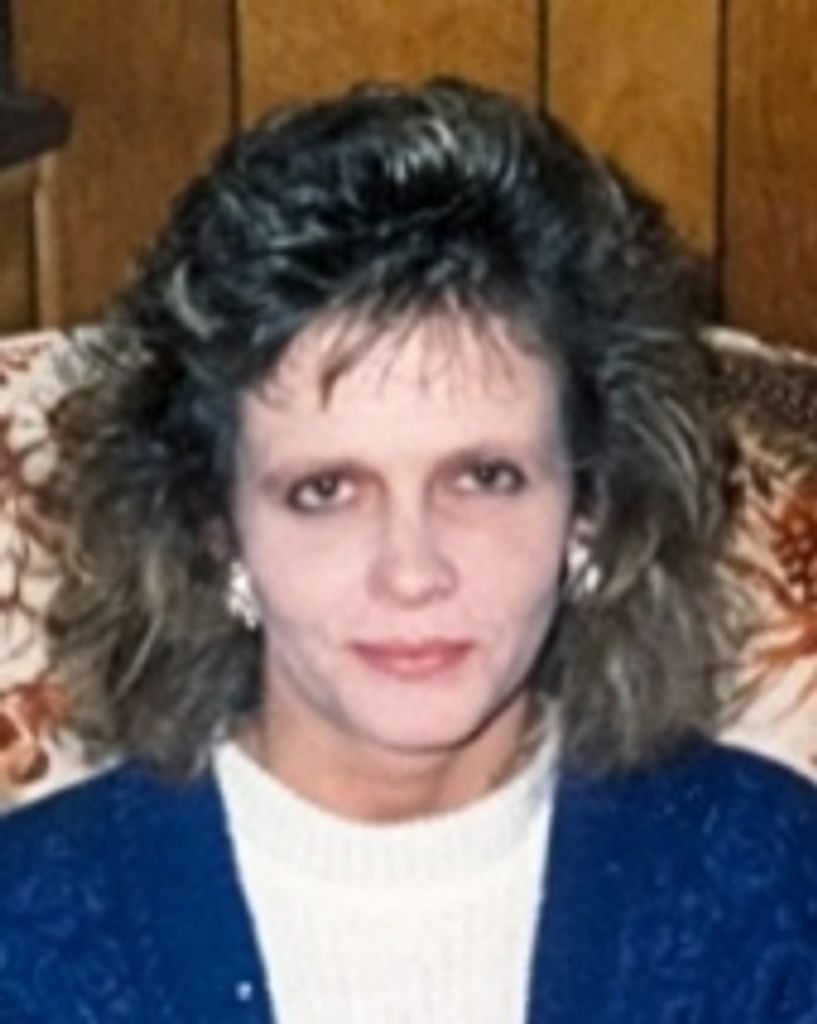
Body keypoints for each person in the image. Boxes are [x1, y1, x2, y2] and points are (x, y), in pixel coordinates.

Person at [1, 78, 815, 1023]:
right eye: (325, 492)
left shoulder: (770, 889)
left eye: (484, 477)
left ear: (589, 507)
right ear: (214, 526)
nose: (413, 571)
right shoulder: (28, 936)